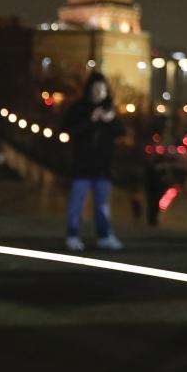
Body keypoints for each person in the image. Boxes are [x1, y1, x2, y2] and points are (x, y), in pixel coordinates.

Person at [61, 71, 125, 251]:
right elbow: (69, 129)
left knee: (102, 206)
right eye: (96, 88)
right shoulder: (78, 108)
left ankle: (104, 236)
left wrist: (110, 121)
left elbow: (121, 132)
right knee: (76, 204)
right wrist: (91, 120)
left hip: (103, 167)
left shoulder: (110, 109)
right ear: (89, 89)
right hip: (82, 165)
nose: (99, 92)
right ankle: (73, 236)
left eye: (102, 89)